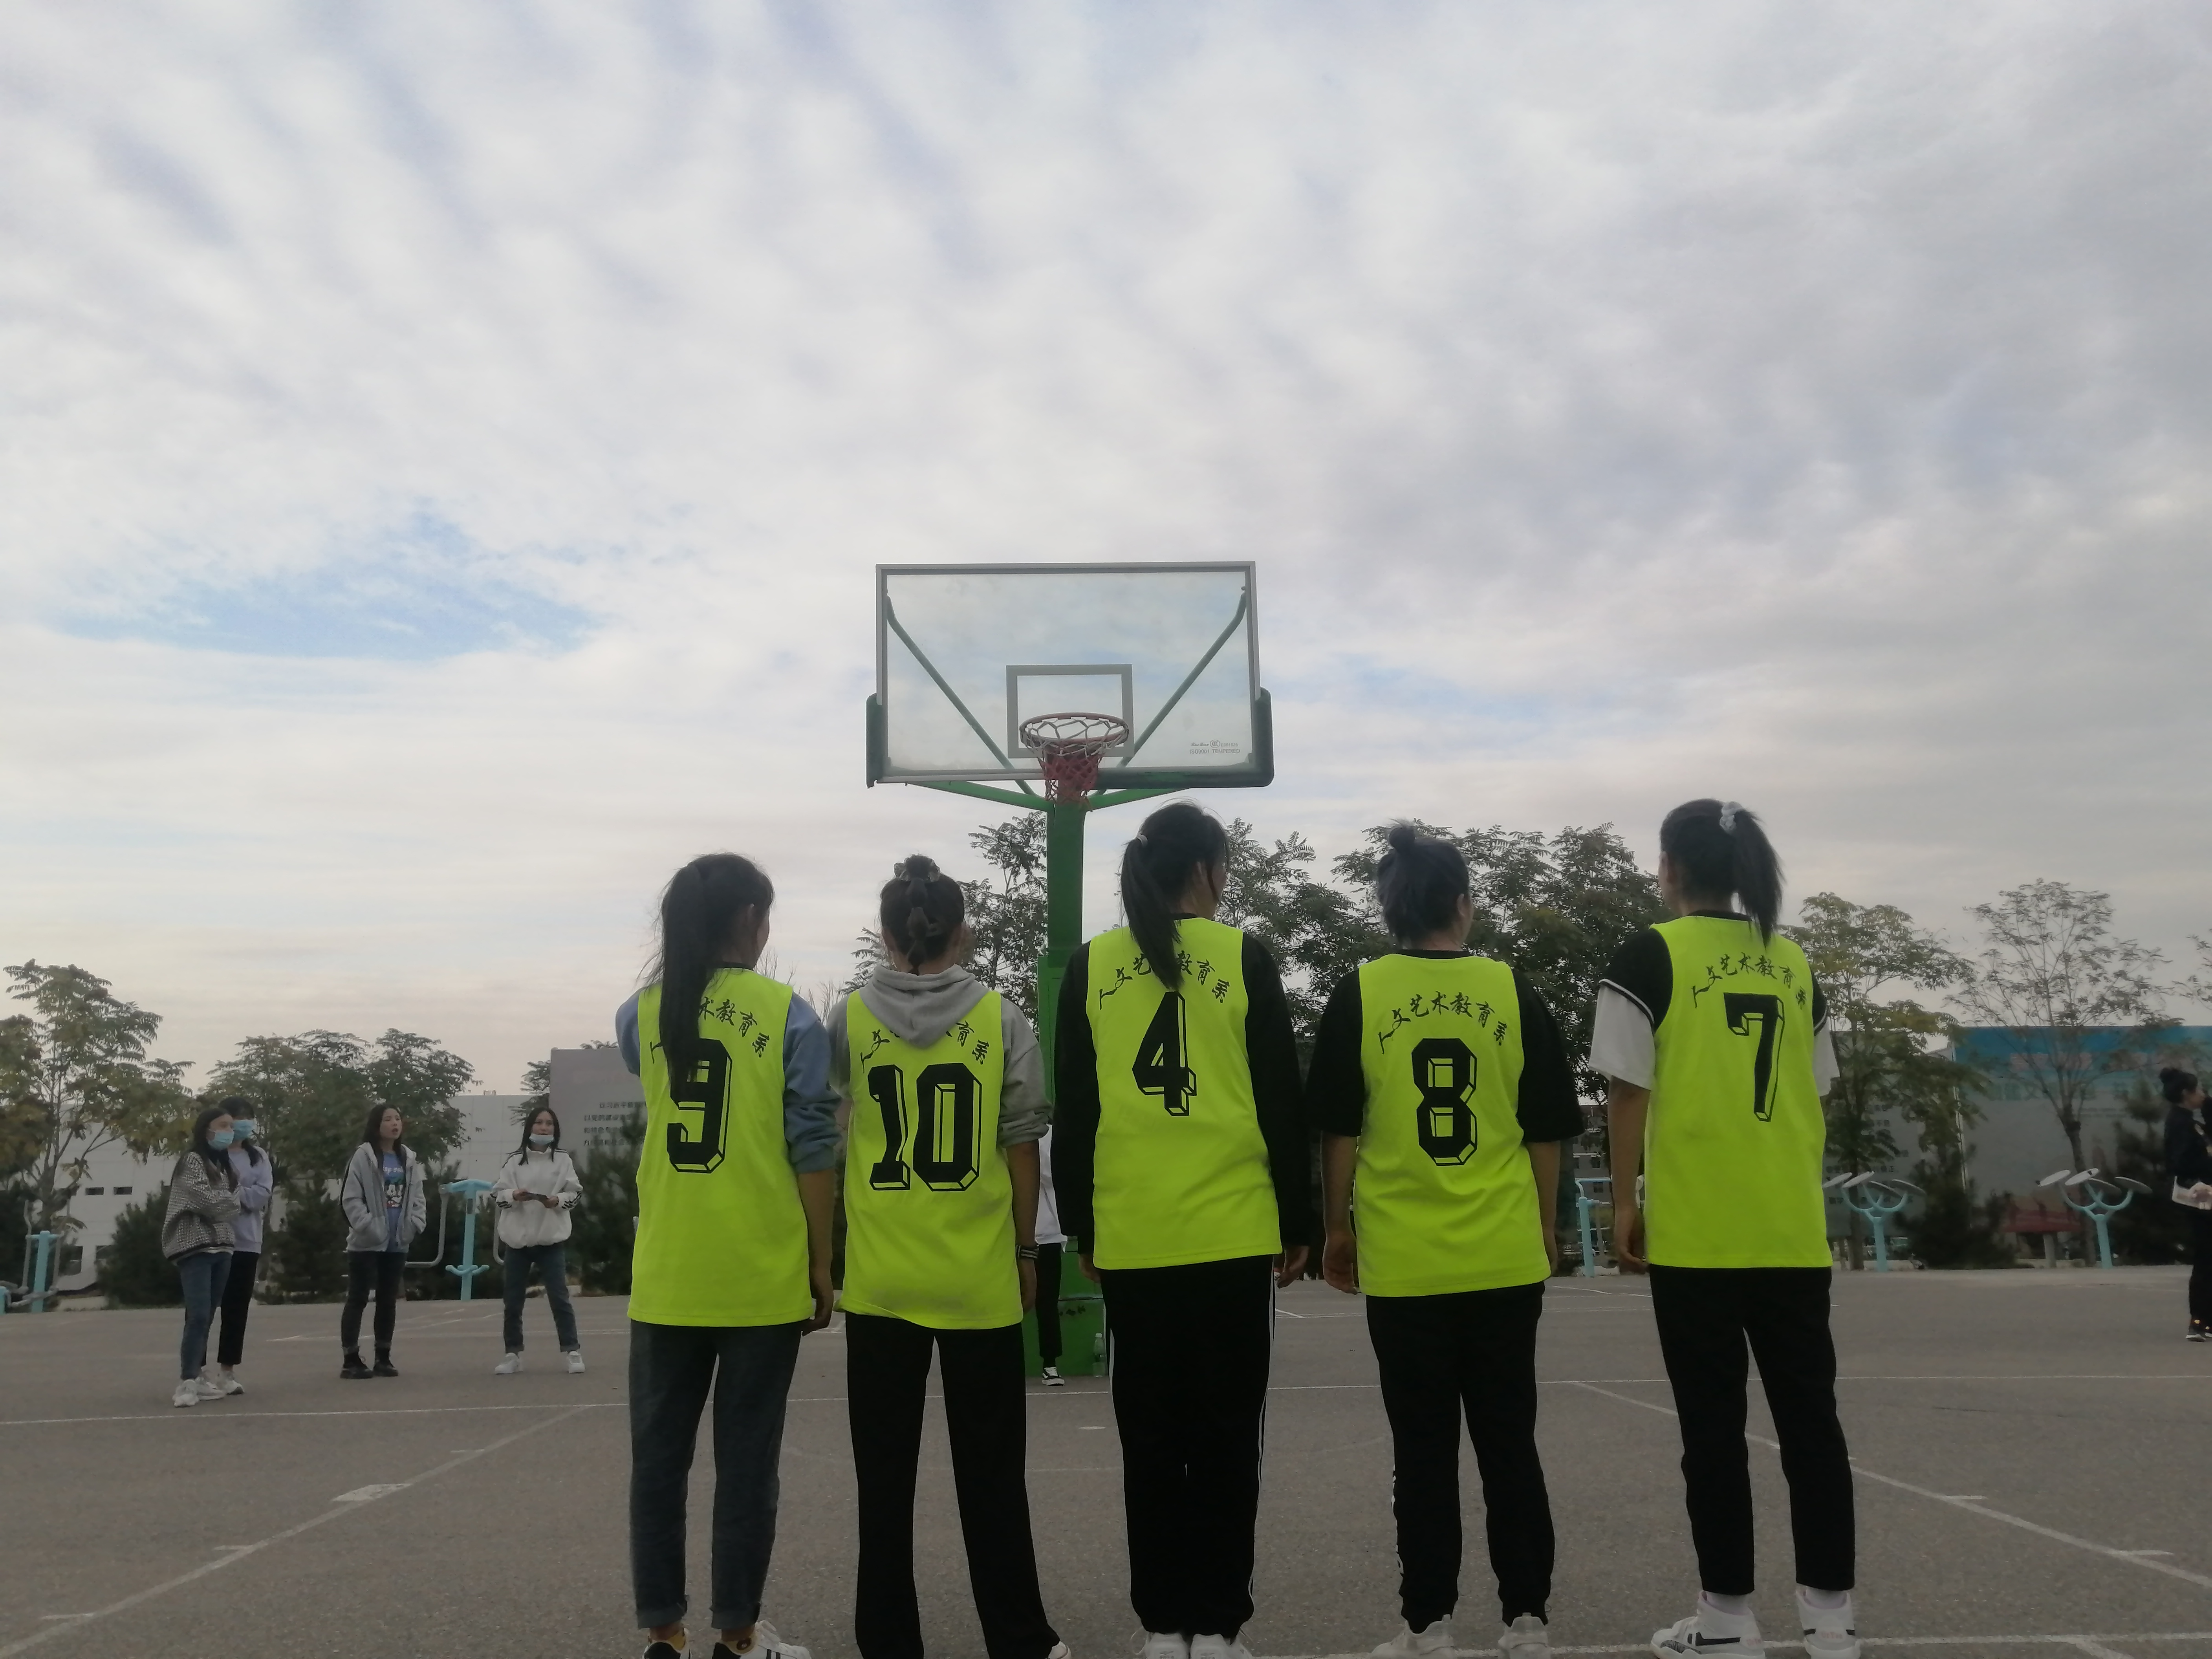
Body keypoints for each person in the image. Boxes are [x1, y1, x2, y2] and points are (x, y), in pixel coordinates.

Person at [1309, 825, 1586, 1659]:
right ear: (1463, 904)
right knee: (1508, 1441)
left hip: (1405, 1260)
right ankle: (1527, 1618)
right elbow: (1545, 1128)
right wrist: (1542, 1224)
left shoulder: (1360, 992)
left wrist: (1335, 1226)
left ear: (1388, 909)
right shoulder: (1510, 989)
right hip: (1501, 1252)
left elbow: (1339, 1130)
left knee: (1421, 1450)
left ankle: (1428, 1622)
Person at [1592, 800, 1857, 1659]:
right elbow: (1815, 1085)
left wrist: (1624, 1202)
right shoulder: (1792, 959)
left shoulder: (1648, 954)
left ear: (1669, 866)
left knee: (1711, 1431)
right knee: (1811, 1424)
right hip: (1788, 1227)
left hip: (1697, 1233)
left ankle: (1727, 1620)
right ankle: (1830, 1619)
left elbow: (1626, 1089)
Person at [1053, 800, 1314, 1659]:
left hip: (1135, 1233)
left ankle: (1164, 1625)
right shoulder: (1242, 955)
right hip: (1232, 1229)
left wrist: (1083, 1224)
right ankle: (1220, 1623)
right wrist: (1299, 1216)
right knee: (1229, 1435)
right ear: (1205, 870)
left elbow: (1077, 1108)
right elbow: (1278, 1098)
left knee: (1152, 1437)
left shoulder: (1092, 964)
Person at [828, 854, 1068, 1659]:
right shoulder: (1001, 1017)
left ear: (887, 934)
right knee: (993, 1476)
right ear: (962, 931)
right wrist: (1026, 1249)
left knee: (883, 1482)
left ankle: (888, 1640)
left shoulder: (848, 1018)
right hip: (977, 1275)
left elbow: (832, 1124)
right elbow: (1022, 1144)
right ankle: (1019, 1637)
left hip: (882, 1281)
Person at [619, 853, 837, 1659]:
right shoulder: (789, 1016)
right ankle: (738, 1635)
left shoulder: (641, 1013)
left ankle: (663, 1632)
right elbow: (812, 1145)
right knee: (746, 1467)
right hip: (758, 1272)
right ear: (750, 919)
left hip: (667, 1272)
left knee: (658, 1465)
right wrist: (822, 1262)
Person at [493, 1104, 585, 1375]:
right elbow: (498, 1194)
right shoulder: (514, 1160)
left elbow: (575, 1193)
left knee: (559, 1297)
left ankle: (572, 1351)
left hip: (550, 1241)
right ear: (530, 1127)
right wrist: (514, 1196)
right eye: (539, 1123)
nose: (544, 1128)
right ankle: (513, 1354)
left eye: (549, 1124)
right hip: (518, 1242)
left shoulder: (563, 1160)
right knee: (513, 1301)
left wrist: (558, 1200)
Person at [161, 1103, 242, 1408]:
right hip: (194, 1246)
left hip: (223, 1246)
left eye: (231, 1126)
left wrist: (227, 1202)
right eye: (223, 1126)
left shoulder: (226, 1166)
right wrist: (227, 1202)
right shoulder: (192, 1161)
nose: (228, 1131)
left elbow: (235, 1199)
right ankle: (186, 1382)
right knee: (197, 1314)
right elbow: (204, 1199)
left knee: (208, 1314)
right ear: (206, 1130)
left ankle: (198, 1375)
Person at [339, 1104, 425, 1380]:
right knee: (358, 1298)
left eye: (398, 1118)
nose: (394, 1124)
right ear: (376, 1125)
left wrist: (414, 1224)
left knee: (388, 1300)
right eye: (388, 1119)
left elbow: (418, 1196)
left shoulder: (408, 1158)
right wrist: (368, 1226)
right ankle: (351, 1359)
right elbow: (350, 1198)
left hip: (397, 1241)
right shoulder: (363, 1157)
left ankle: (383, 1357)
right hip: (366, 1242)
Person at [212, 1097, 275, 1395]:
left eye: (248, 1117)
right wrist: (240, 1195)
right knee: (203, 1310)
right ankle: (195, 1372)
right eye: (237, 1117)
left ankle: (227, 1372)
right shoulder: (210, 1155)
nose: (243, 1123)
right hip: (212, 1241)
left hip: (247, 1242)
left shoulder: (258, 1156)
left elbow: (261, 1195)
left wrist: (232, 1194)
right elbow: (206, 1195)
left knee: (236, 1311)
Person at [2159, 1068, 2212, 1340]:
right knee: (2206, 1258)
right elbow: (2178, 1163)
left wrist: (2208, 1104)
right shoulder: (2180, 1123)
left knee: (2208, 1258)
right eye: (2199, 1090)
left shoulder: (2190, 1121)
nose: (2203, 1094)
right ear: (2185, 1094)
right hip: (2198, 1198)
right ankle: (2200, 1322)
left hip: (2205, 1195)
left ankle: (2205, 1321)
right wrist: (2197, 1183)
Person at [1032, 1127, 1067, 1386]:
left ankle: (1050, 1364)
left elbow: (1053, 1174)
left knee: (1047, 1302)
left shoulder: (1051, 1135)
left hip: (1047, 1235)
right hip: (1009, 1233)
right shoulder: (1002, 1133)